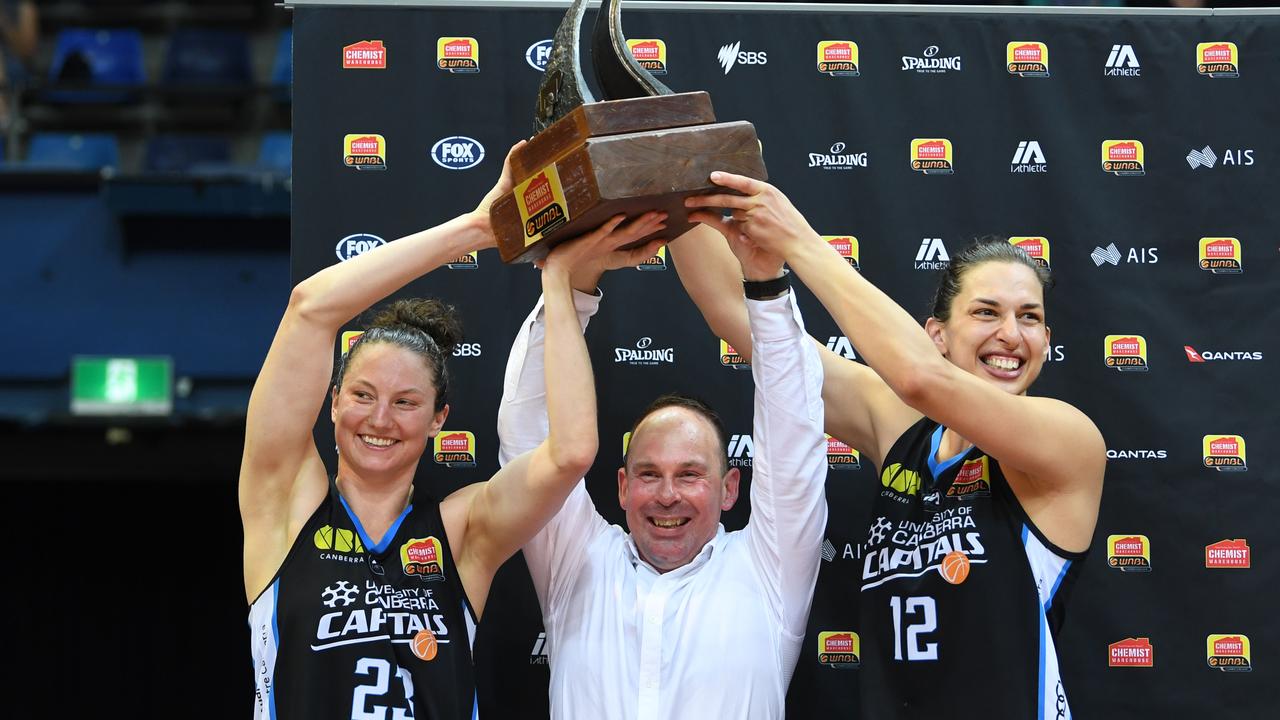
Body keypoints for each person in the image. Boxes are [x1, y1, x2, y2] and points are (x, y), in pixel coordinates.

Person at [240, 141, 668, 720]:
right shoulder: (285, 504)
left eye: (406, 402)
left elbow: (571, 452)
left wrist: (560, 280)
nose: (380, 419)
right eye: (363, 395)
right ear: (334, 401)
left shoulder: (463, 530)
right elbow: (310, 307)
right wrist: (475, 229)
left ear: (440, 419)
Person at [677, 172, 1105, 719]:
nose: (1011, 335)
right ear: (937, 335)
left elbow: (923, 379)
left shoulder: (1067, 440)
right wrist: (669, 182)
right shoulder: (902, 427)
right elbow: (732, 313)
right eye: (986, 312)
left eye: (1030, 317)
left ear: (1047, 340)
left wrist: (799, 243)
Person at [496, 218, 828, 719]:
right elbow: (526, 433)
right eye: (649, 474)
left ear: (729, 487)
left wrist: (765, 284)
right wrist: (570, 285)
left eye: (691, 475)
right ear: (624, 487)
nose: (667, 494)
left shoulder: (768, 572)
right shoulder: (578, 562)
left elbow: (793, 434)